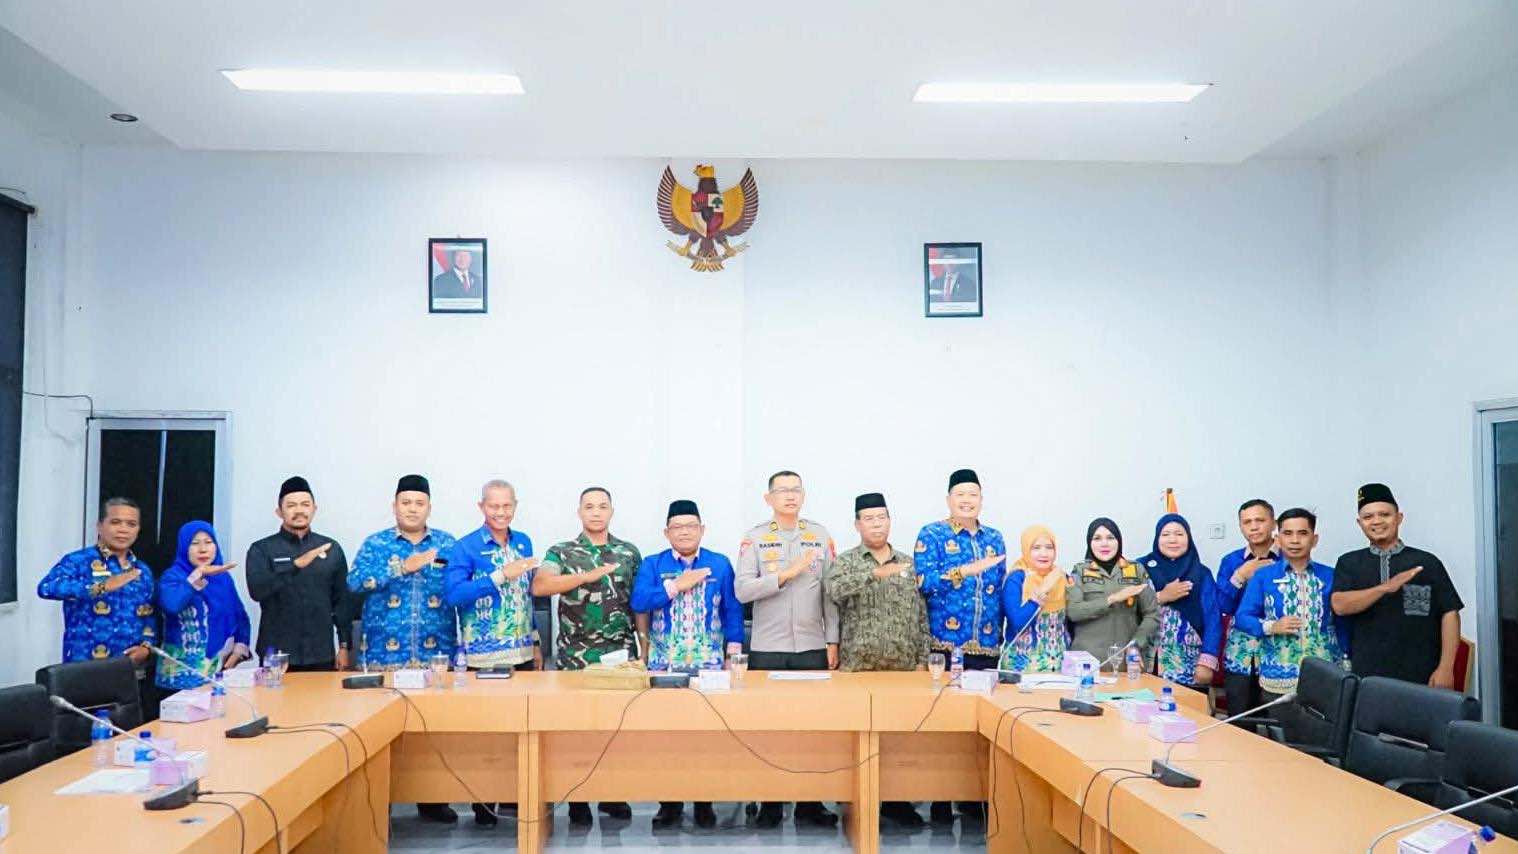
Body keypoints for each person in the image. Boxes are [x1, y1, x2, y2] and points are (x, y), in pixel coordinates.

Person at [347, 474, 459, 825]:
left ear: (429, 507)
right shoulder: (376, 543)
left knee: (433, 732)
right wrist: (400, 567)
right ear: (394, 506)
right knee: (381, 733)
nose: (412, 509)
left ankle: (432, 800)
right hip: (384, 656)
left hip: (434, 654)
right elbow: (354, 582)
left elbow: (460, 589)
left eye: (419, 503)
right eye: (406, 502)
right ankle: (380, 801)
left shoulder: (447, 544)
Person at [530, 486, 641, 827]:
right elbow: (540, 586)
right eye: (589, 506)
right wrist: (584, 577)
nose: (596, 512)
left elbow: (638, 603)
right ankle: (577, 799)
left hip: (619, 655)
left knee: (615, 729)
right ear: (579, 512)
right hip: (574, 657)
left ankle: (612, 794)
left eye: (602, 506)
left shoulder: (628, 553)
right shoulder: (561, 551)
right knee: (575, 730)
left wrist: (644, 645)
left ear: (611, 512)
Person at [630, 499, 745, 830]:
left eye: (691, 526)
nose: (684, 532)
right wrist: (675, 586)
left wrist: (732, 653)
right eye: (677, 527)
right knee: (666, 736)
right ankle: (669, 803)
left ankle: (704, 802)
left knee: (708, 735)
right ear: (666, 532)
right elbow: (639, 601)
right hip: (665, 666)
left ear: (702, 529)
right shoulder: (653, 564)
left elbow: (732, 610)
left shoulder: (719, 564)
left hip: (710, 665)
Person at [736, 470, 840, 830]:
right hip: (768, 648)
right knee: (769, 728)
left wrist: (832, 640)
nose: (790, 496)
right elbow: (742, 591)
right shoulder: (754, 538)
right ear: (769, 499)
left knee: (813, 729)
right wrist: (784, 575)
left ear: (803, 495)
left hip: (811, 647)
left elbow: (830, 593)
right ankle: (771, 802)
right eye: (782, 490)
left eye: (796, 489)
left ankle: (810, 804)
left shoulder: (820, 536)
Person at [826, 492, 930, 829]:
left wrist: (922, 659)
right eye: (869, 519)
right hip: (858, 667)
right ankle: (854, 798)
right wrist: (875, 574)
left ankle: (898, 802)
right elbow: (834, 591)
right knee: (855, 739)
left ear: (889, 521)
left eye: (882, 518)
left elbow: (921, 614)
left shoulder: (908, 562)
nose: (876, 524)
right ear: (857, 525)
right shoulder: (847, 561)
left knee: (900, 741)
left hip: (902, 669)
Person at [913, 468, 1005, 827]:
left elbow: (999, 589)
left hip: (987, 647)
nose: (967, 500)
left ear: (981, 499)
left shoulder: (994, 538)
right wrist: (964, 571)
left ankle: (973, 798)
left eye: (973, 495)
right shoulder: (933, 534)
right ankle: (940, 799)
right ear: (949, 499)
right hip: (946, 648)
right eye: (960, 494)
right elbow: (923, 582)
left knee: (980, 728)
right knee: (944, 727)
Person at [1332, 483, 1464, 689]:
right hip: (1367, 677)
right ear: (1359, 523)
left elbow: (1450, 614)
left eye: (1384, 514)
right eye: (1368, 517)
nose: (1377, 521)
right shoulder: (1349, 563)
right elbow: (1340, 605)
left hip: (1422, 674)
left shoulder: (1426, 562)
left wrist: (1446, 668)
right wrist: (1384, 588)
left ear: (1399, 518)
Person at [37, 498, 157, 710]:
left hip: (128, 671)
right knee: (85, 728)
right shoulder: (78, 561)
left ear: (138, 530)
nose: (123, 529)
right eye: (115, 522)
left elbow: (149, 616)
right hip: (85, 668)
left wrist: (146, 648)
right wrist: (101, 587)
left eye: (131, 524)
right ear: (100, 526)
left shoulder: (142, 570)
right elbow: (46, 588)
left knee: (126, 728)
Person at [245, 476, 357, 672]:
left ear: (314, 509)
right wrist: (295, 565)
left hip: (321, 654)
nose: (299, 510)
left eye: (305, 504)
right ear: (279, 511)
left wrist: (344, 646)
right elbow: (257, 591)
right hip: (277, 656)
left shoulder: (331, 548)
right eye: (291, 505)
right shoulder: (261, 549)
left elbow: (341, 603)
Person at [1235, 508, 1344, 699]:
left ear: (1314, 539)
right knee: (1280, 719)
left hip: (1325, 672)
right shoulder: (1263, 576)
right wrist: (1271, 626)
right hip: (1279, 675)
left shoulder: (1331, 576)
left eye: (1302, 533)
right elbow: (1243, 617)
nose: (1295, 540)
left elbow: (1343, 621)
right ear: (1278, 539)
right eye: (1287, 533)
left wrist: (1347, 659)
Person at [156, 521, 251, 691]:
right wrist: (197, 576)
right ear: (184, 547)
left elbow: (240, 616)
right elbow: (172, 605)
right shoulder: (173, 577)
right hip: (180, 677)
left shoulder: (223, 578)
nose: (203, 549)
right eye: (195, 543)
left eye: (208, 542)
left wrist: (239, 650)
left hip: (219, 671)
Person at [1140, 514, 1222, 691]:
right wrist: (1161, 596)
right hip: (1143, 660)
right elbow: (1127, 609)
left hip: (1187, 663)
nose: (1172, 540)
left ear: (1188, 538)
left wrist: (1207, 661)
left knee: (1186, 707)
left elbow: (1213, 619)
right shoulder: (1140, 568)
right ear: (1157, 538)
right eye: (1165, 534)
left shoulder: (1201, 573)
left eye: (1179, 534)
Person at [1215, 499, 1279, 717]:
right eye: (1247, 522)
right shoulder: (1231, 561)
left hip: (1279, 653)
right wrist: (1240, 575)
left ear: (1273, 523)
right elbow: (1223, 606)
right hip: (1240, 654)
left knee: (1278, 723)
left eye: (1260, 520)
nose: (1254, 527)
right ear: (1241, 527)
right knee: (1240, 720)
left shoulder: (1289, 556)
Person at [1067, 517, 1159, 662]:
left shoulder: (1136, 570)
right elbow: (1074, 612)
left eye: (1110, 538)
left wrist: (1136, 644)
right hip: (1086, 663)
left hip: (1126, 661)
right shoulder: (1079, 571)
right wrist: (1112, 599)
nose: (1104, 543)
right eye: (1097, 538)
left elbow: (1152, 614)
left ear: (1119, 541)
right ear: (1089, 543)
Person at [998, 525, 1070, 675]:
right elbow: (1018, 622)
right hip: (1020, 667)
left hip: (1060, 667)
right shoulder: (1017, 578)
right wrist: (1041, 592)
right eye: (1036, 548)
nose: (1044, 553)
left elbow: (1071, 621)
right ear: (1026, 549)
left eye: (1049, 547)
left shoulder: (1061, 577)